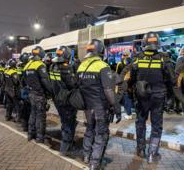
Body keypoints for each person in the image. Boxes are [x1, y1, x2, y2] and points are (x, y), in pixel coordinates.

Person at [129, 32, 176, 163]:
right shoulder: (164, 58)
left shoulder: (137, 58)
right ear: (158, 43)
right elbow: (172, 80)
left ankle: (140, 149)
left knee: (140, 123)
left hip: (141, 97)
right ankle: (152, 153)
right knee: (156, 125)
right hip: (158, 97)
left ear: (144, 43)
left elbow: (131, 78)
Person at [77, 39, 122, 170]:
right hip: (100, 107)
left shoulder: (81, 66)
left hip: (87, 107)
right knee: (100, 134)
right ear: (101, 51)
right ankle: (94, 163)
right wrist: (117, 107)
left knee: (89, 130)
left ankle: (86, 155)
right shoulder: (102, 66)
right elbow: (108, 90)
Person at [49, 46, 77, 156]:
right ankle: (65, 148)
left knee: (65, 121)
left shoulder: (52, 66)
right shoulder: (66, 68)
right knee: (69, 123)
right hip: (66, 99)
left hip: (57, 99)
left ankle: (67, 142)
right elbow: (72, 84)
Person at [23, 46, 52, 143]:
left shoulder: (27, 65)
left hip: (31, 93)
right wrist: (51, 92)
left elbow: (23, 80)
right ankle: (40, 137)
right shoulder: (40, 65)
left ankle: (31, 134)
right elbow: (46, 81)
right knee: (41, 116)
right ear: (41, 54)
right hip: (39, 94)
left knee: (33, 113)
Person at [116, 50, 133, 120]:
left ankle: (129, 114)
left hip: (124, 82)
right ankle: (132, 110)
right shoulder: (133, 62)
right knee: (131, 97)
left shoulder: (120, 63)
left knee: (126, 97)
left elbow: (117, 74)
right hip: (132, 82)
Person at [18, 53, 31, 131]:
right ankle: (27, 125)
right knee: (28, 107)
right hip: (26, 89)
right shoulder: (27, 66)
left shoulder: (20, 66)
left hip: (22, 88)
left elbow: (20, 79)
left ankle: (24, 124)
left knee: (24, 106)